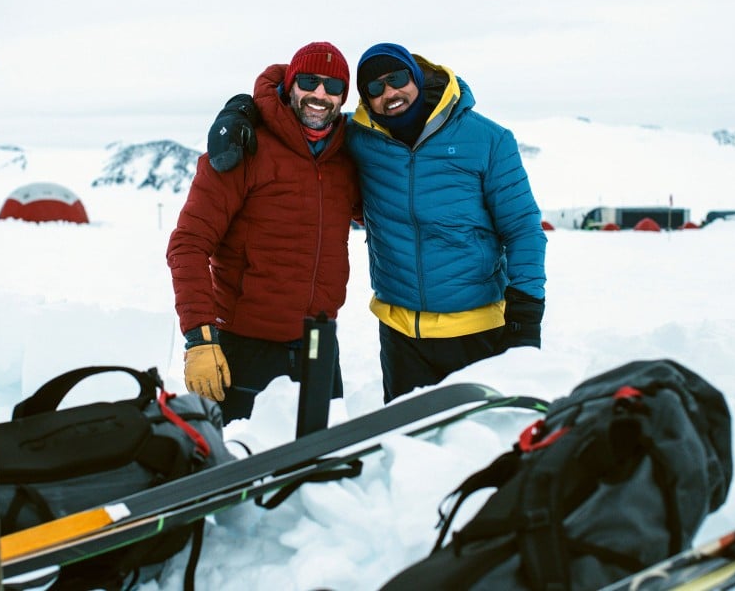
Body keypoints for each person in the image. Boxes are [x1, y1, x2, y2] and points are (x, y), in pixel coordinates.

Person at [207, 42, 546, 403]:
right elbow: (297, 119)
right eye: (375, 88)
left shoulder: (488, 140)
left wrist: (524, 320)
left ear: (416, 77)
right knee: (407, 449)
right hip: (401, 338)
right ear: (366, 100)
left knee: (483, 447)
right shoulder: (359, 138)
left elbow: (523, 229)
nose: (390, 93)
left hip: (478, 331)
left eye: (398, 78)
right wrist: (240, 109)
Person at [166, 42, 360, 423]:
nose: (320, 94)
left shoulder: (346, 158)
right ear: (290, 86)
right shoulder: (243, 146)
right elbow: (188, 244)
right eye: (309, 81)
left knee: (320, 471)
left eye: (333, 87)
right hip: (244, 349)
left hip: (319, 344)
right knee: (242, 467)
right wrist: (200, 338)